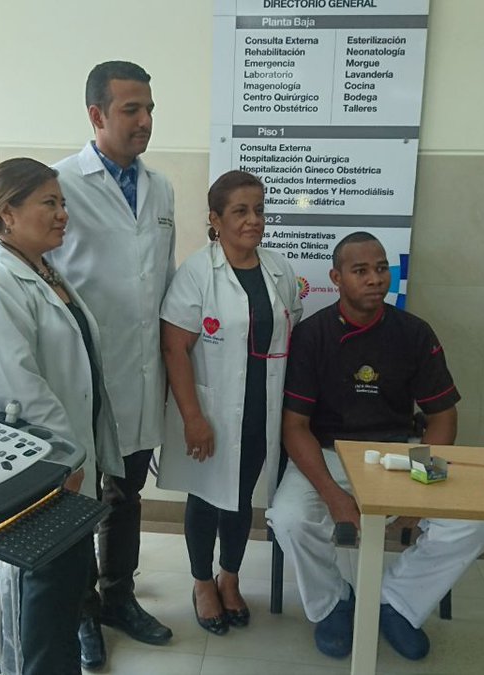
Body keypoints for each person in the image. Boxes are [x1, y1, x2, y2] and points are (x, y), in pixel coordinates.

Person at [0, 61, 175, 669]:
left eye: (150, 109)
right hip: (64, 404)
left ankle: (117, 597)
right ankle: (83, 617)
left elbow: (157, 279)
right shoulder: (59, 182)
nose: (144, 121)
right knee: (57, 554)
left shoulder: (162, 190)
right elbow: (8, 275)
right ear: (97, 115)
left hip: (120, 378)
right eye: (131, 109)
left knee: (122, 495)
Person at [264, 232, 484, 662]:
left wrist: (418, 484)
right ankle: (334, 603)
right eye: (360, 271)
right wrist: (332, 495)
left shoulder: (413, 333)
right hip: (327, 453)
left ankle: (396, 603)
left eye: (380, 268)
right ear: (336, 278)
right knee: (290, 520)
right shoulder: (313, 334)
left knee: (478, 525)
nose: (375, 279)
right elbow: (294, 426)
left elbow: (442, 416)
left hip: (401, 455)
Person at [0, 157, 124, 675]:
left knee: (64, 587)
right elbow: (18, 386)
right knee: (45, 597)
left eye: (63, 203)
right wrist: (65, 458)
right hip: (39, 466)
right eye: (49, 203)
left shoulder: (43, 270)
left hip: (65, 459)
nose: (62, 214)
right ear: (7, 214)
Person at [158, 170, 302, 635]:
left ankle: (230, 577)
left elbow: (289, 333)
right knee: (205, 496)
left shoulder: (279, 270)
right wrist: (193, 418)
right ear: (215, 220)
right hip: (212, 412)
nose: (253, 220)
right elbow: (174, 348)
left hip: (262, 411)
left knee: (240, 499)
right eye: (240, 211)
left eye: (259, 210)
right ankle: (203, 583)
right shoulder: (198, 273)